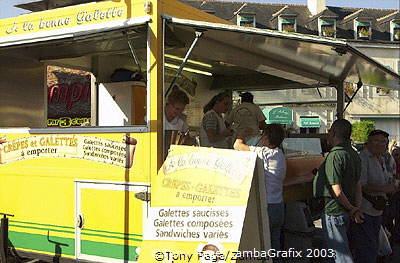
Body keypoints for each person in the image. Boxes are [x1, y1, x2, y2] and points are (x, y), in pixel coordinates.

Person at [313, 119, 363, 263]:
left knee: (340, 255)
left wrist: (351, 208)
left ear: (334, 133)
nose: (327, 134)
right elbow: (358, 185)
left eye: (329, 131)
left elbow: (336, 189)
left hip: (334, 210)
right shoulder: (354, 154)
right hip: (347, 209)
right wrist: (355, 208)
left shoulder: (335, 155)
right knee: (330, 253)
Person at [233, 124, 286, 254]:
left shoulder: (264, 153)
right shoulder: (280, 154)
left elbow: (237, 146)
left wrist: (242, 134)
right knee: (275, 244)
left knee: (263, 246)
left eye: (263, 136)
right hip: (278, 205)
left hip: (266, 206)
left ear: (267, 139)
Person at [351, 130, 399, 263]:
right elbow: (361, 185)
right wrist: (384, 189)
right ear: (369, 142)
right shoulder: (363, 158)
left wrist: (393, 186)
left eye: (383, 142)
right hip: (364, 209)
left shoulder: (382, 159)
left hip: (378, 210)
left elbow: (387, 179)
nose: (380, 144)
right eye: (376, 141)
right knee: (367, 247)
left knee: (375, 246)